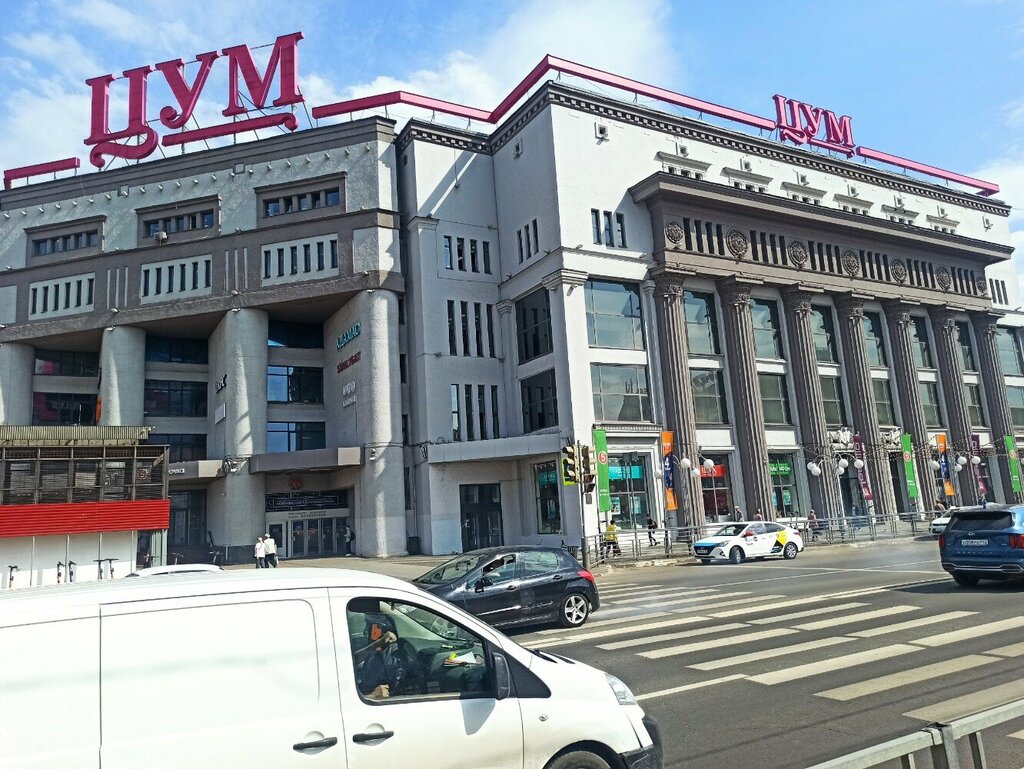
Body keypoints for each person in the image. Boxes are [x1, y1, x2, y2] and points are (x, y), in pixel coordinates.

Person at [356, 612, 406, 700]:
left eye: (373, 628)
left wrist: (378, 643)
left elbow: (351, 660)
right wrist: (372, 696)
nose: (365, 631)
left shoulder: (389, 656)